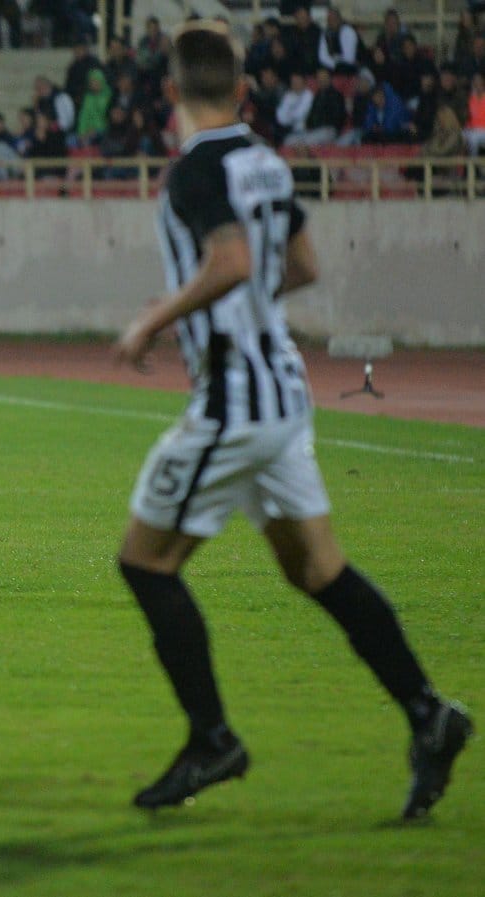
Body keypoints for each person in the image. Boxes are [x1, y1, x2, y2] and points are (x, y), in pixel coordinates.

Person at [111, 22, 472, 820]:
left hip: (235, 402)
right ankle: (428, 714)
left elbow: (233, 262)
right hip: (283, 390)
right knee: (317, 571)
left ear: (170, 92)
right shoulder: (267, 162)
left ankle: (213, 739)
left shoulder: (195, 170)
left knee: (145, 564)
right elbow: (300, 265)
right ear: (243, 88)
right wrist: (222, 313)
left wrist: (156, 320)